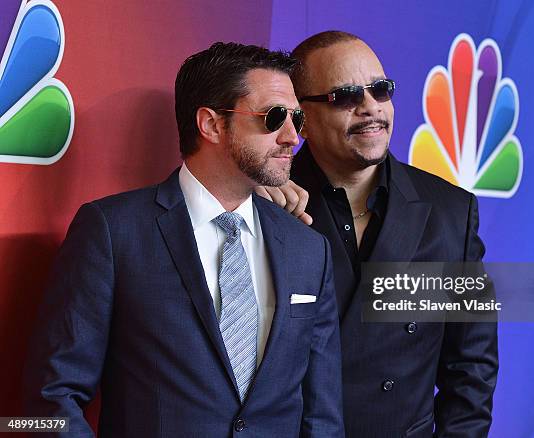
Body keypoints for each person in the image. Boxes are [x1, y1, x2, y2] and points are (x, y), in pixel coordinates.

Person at [23, 42, 344, 438]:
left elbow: (322, 415)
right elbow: (51, 396)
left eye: (297, 118)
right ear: (210, 124)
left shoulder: (308, 249)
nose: (292, 137)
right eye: (274, 117)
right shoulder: (112, 231)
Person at [256, 31, 498, 437]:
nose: (371, 109)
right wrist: (257, 198)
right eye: (346, 96)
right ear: (302, 118)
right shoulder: (261, 202)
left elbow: (471, 367)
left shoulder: (451, 211)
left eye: (380, 91)